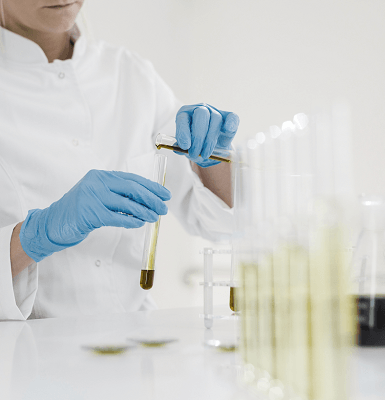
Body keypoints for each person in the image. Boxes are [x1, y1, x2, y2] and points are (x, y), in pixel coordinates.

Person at [0, 0, 239, 320]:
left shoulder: (130, 73)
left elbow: (219, 223)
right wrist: (35, 236)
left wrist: (213, 158)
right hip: (25, 356)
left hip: (134, 344)